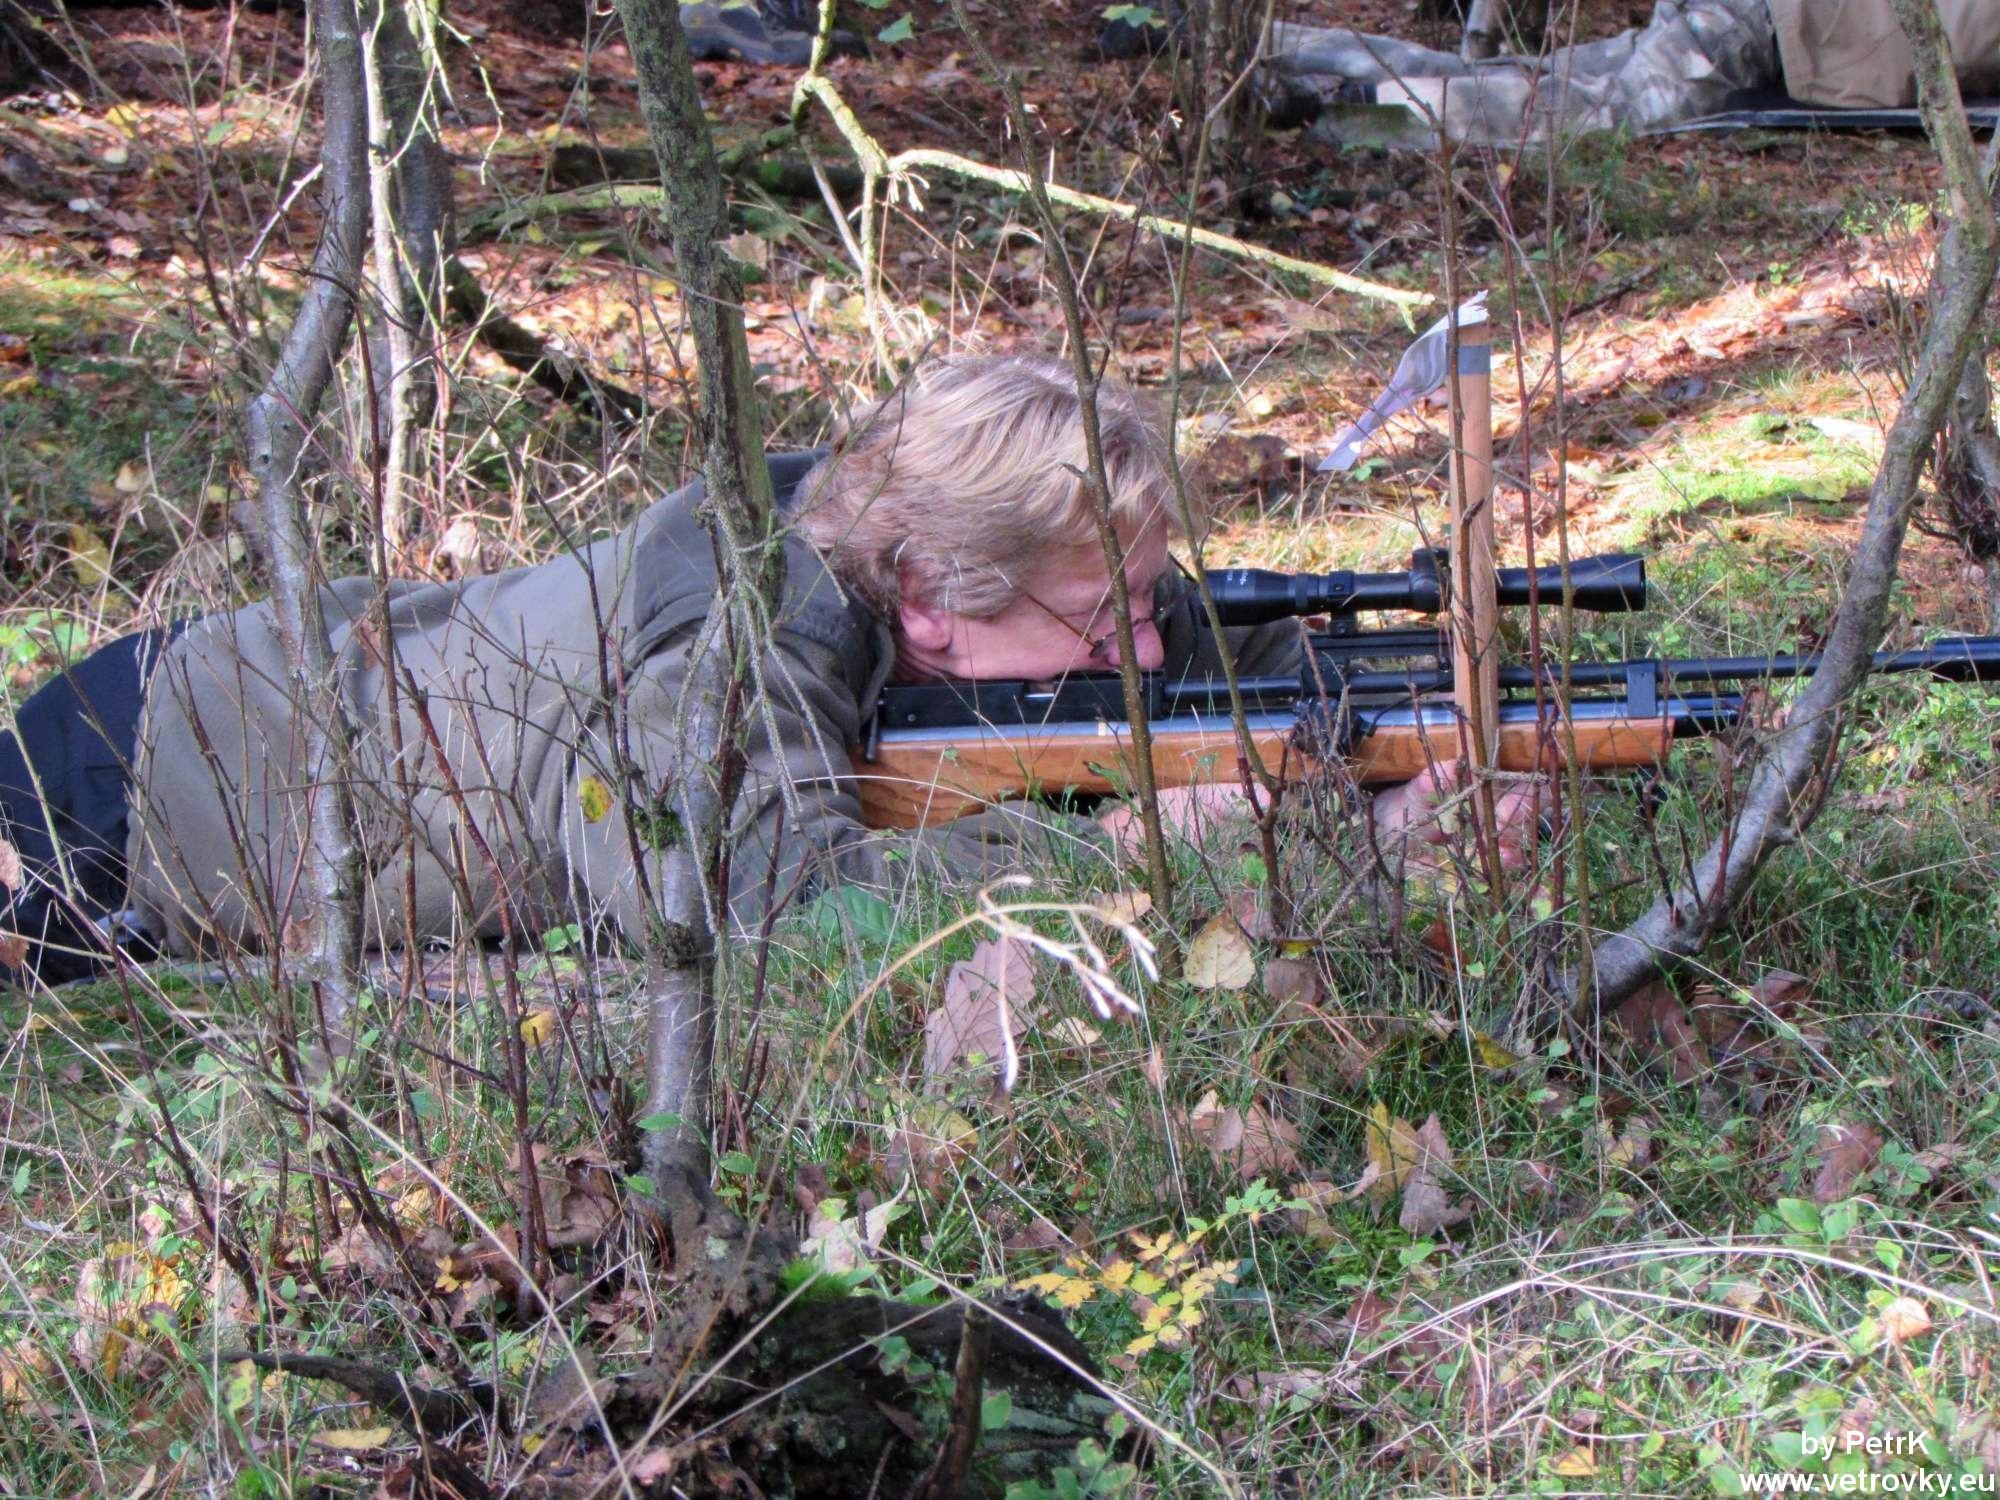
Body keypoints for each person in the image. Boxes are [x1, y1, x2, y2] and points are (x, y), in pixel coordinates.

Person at [0, 355, 1528, 987]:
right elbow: (760, 912)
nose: (1142, 645)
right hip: (144, 782)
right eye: (1105, 617)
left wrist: (1393, 759)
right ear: (931, 602)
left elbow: (1217, 662)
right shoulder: (739, 633)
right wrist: (1132, 844)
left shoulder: (1023, 584)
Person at [1269, 0, 2000, 144]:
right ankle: (1346, 112)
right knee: (1591, 113)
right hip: (1758, 31)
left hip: (1748, 21)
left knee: (1535, 78)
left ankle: (1283, 44)